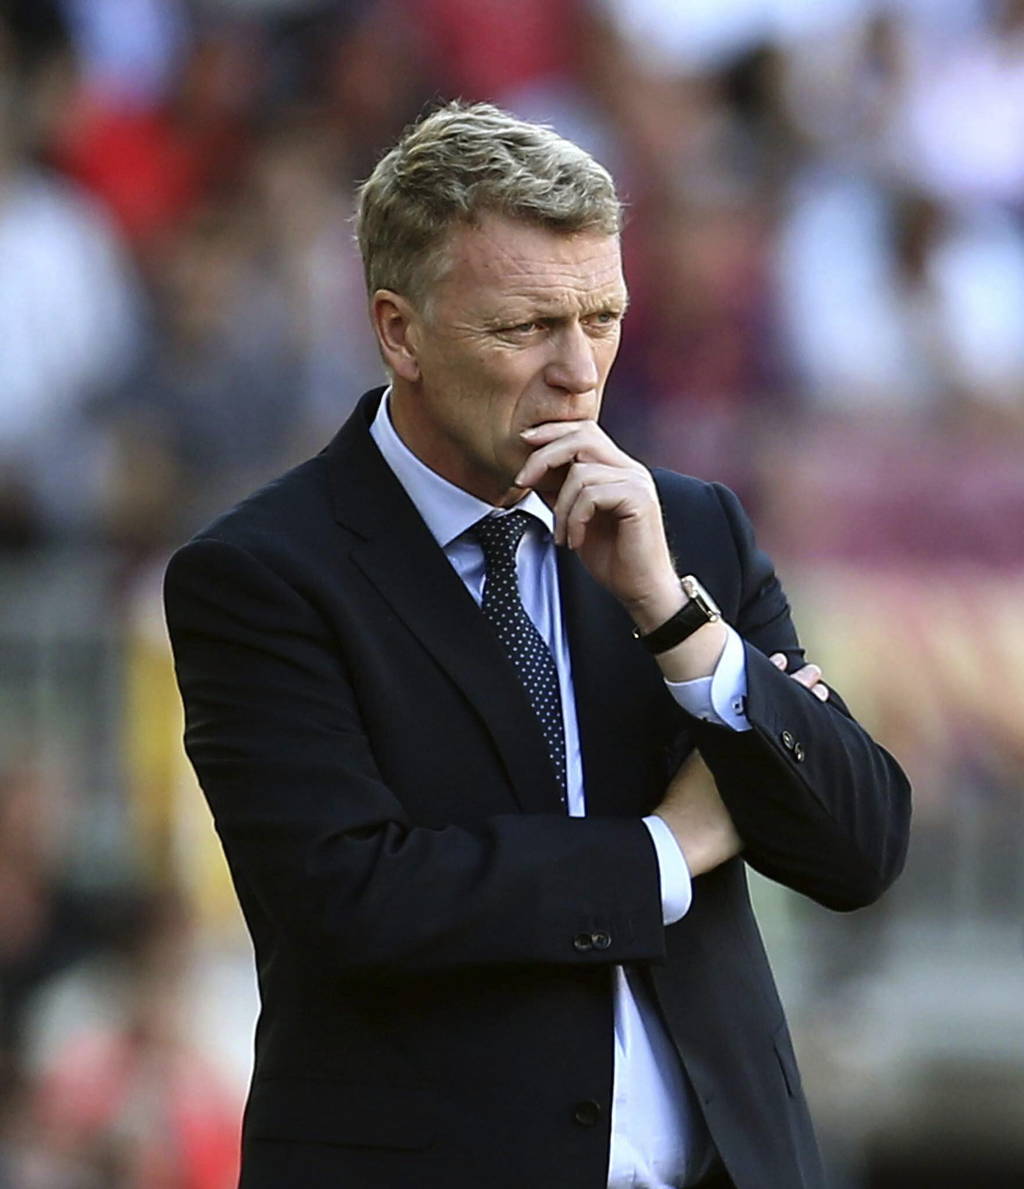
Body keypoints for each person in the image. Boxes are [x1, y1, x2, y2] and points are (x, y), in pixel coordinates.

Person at [164, 101, 911, 1189]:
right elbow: (355, 898)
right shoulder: (262, 573)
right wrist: (665, 850)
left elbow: (860, 849)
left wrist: (672, 618)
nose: (578, 371)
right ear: (399, 331)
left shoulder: (688, 529)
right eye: (525, 328)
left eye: (602, 317)